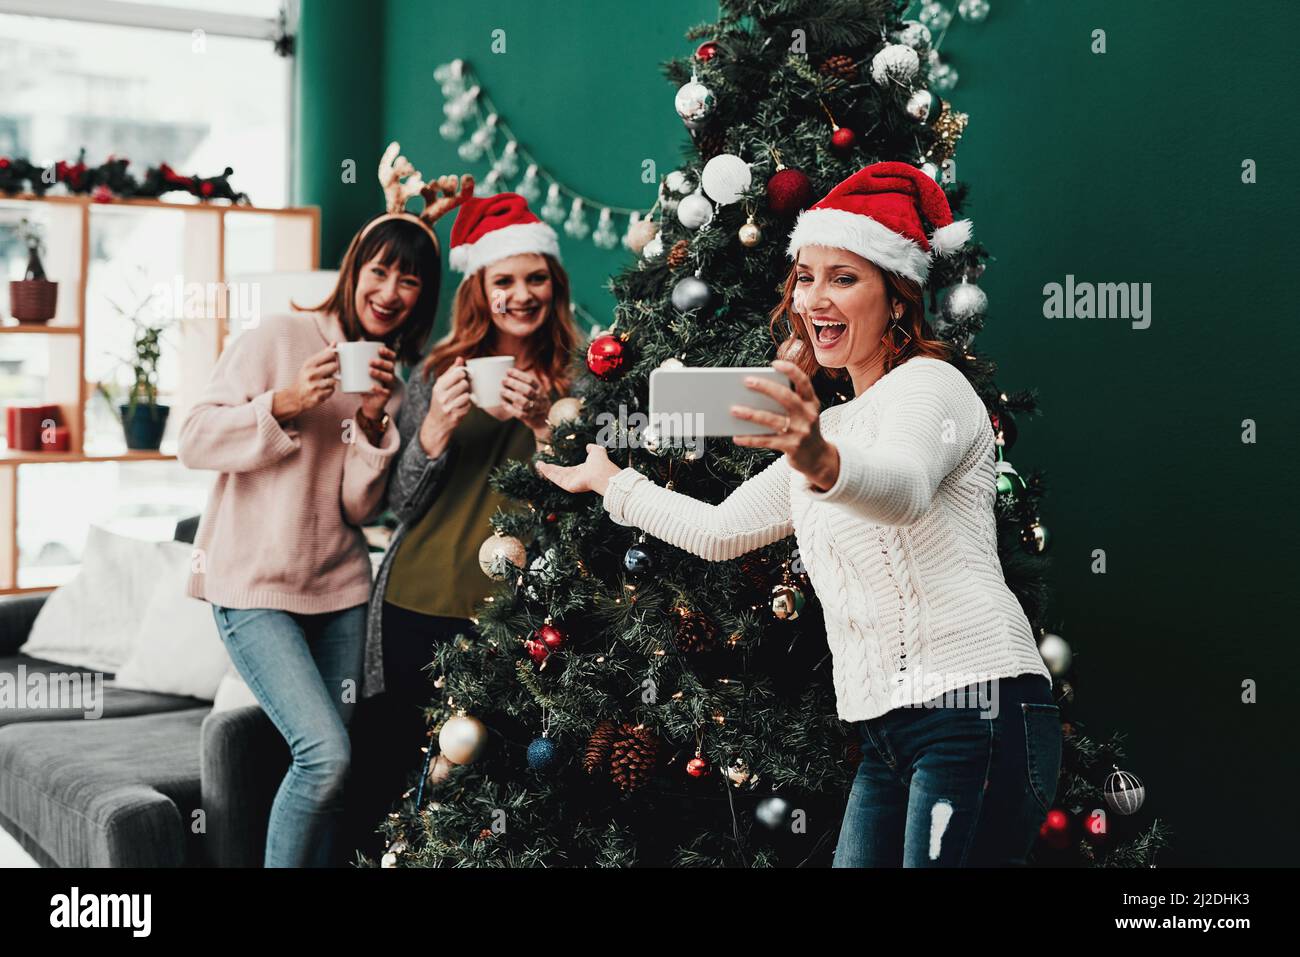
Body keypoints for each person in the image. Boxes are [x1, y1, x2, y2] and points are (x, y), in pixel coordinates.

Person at [536, 161, 1062, 867]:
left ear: (897, 297)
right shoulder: (834, 426)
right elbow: (722, 532)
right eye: (807, 276)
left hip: (976, 712)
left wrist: (812, 453)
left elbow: (903, 486)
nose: (816, 295)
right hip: (884, 733)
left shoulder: (930, 387)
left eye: (844, 277)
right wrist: (611, 482)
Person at [178, 143, 471, 867]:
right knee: (324, 754)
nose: (392, 290)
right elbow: (192, 438)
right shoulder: (281, 335)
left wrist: (371, 426)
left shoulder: (395, 385)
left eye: (410, 279)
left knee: (336, 774)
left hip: (340, 591)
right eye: (380, 270)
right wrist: (284, 402)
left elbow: (357, 509)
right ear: (355, 271)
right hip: (253, 588)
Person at [348, 191, 579, 854]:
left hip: (513, 617)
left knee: (488, 793)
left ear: (554, 285)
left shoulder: (580, 382)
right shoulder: (438, 370)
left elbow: (579, 517)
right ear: (481, 287)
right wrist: (435, 430)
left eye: (535, 278)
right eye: (503, 280)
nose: (520, 294)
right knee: (389, 776)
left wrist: (544, 427)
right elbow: (402, 504)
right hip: (415, 599)